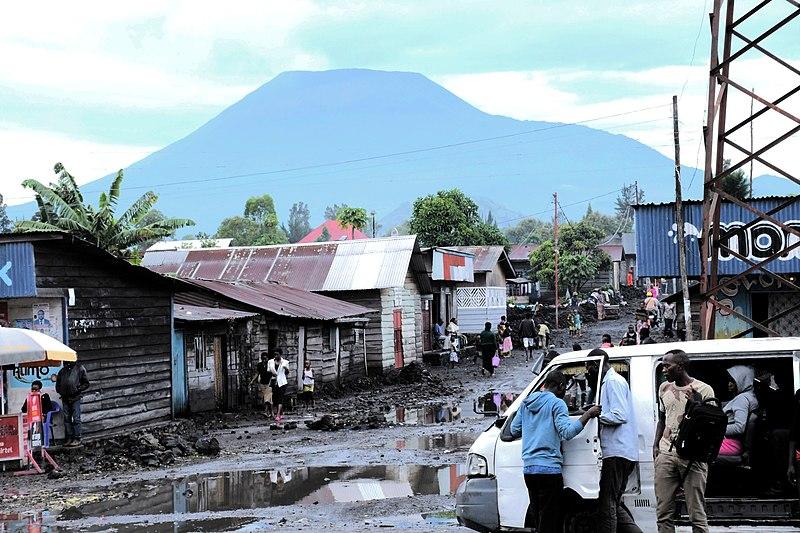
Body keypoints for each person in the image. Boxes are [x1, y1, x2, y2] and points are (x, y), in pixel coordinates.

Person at [510, 370, 601, 532]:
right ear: (560, 386)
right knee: (550, 521)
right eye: (564, 387)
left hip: (529, 470)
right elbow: (567, 432)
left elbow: (514, 429)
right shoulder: (557, 403)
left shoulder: (526, 403)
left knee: (539, 518)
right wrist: (588, 414)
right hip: (549, 471)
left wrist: (534, 429)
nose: (564, 391)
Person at [653, 349, 715, 533]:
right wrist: (656, 444)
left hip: (693, 456)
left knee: (697, 514)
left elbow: (711, 426)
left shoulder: (704, 390)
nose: (664, 369)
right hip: (666, 454)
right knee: (663, 513)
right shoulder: (663, 388)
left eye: (667, 365)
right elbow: (662, 418)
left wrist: (695, 404)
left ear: (680, 367)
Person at [586, 350, 643, 533]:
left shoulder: (612, 381)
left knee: (607, 503)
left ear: (596, 365)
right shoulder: (610, 382)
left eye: (589, 368)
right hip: (620, 450)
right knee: (614, 502)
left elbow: (619, 415)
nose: (588, 372)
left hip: (617, 451)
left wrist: (594, 416)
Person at [718, 365, 758, 456]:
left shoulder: (742, 399)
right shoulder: (750, 396)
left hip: (731, 444)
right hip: (733, 443)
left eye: (733, 381)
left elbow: (739, 427)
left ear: (742, 381)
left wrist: (716, 429)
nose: (729, 384)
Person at [55, 360, 90, 447]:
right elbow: (58, 384)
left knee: (76, 418)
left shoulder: (80, 369)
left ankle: (77, 438)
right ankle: (69, 438)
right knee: (67, 419)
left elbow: (86, 383)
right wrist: (60, 391)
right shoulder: (62, 371)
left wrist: (78, 389)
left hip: (75, 397)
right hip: (65, 398)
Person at [268, 349, 290, 422]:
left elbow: (287, 373)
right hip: (274, 382)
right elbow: (268, 371)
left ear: (280, 354)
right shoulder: (270, 361)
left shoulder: (285, 362)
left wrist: (286, 369)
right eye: (274, 354)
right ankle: (280, 412)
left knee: (280, 398)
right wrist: (272, 373)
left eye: (277, 354)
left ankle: (278, 415)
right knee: (275, 398)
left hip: (282, 382)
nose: (275, 356)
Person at [251, 352, 274, 417]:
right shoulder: (259, 365)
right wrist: (252, 380)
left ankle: (267, 411)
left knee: (267, 398)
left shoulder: (270, 365)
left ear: (267, 358)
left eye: (265, 358)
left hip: (269, 383)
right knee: (267, 399)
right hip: (262, 383)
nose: (264, 360)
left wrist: (271, 382)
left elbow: (273, 374)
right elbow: (257, 373)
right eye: (263, 358)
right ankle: (270, 412)